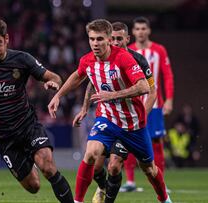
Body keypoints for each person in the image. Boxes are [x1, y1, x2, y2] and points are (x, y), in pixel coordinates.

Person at [48, 19, 172, 203]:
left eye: (99, 39)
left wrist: (113, 95)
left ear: (108, 40)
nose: (95, 43)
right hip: (107, 119)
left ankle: (164, 199)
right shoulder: (88, 59)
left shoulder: (125, 58)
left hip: (133, 123)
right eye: (92, 39)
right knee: (91, 154)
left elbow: (145, 87)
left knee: (149, 169)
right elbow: (79, 76)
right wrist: (58, 95)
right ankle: (78, 200)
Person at [0, 19, 74, 203]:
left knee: (47, 166)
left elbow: (54, 76)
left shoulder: (22, 59)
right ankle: (31, 160)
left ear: (7, 39)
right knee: (33, 187)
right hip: (3, 136)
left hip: (27, 125)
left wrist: (53, 82)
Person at [72, 21, 157, 203]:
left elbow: (152, 91)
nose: (115, 43)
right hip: (107, 118)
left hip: (130, 121)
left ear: (127, 39)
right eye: (114, 39)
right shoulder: (102, 58)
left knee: (115, 166)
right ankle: (102, 187)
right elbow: (91, 82)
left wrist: (142, 118)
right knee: (95, 166)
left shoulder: (138, 60)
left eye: (119, 39)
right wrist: (85, 107)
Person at [121, 16, 174, 192]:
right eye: (137, 29)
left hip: (155, 104)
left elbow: (167, 76)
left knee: (156, 140)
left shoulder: (159, 50)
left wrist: (169, 99)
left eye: (144, 28)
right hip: (133, 104)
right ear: (133, 32)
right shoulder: (127, 51)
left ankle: (162, 182)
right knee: (128, 140)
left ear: (148, 30)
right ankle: (130, 182)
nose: (141, 32)